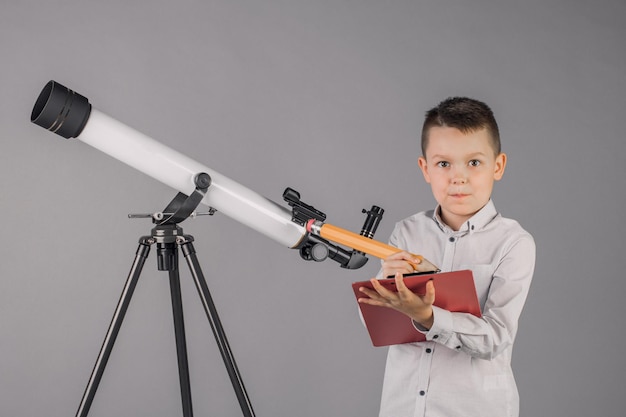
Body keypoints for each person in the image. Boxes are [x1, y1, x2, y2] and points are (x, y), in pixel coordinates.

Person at [358, 97, 536, 417]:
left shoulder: (513, 243)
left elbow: (496, 338)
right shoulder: (406, 233)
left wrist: (428, 316)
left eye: (474, 162)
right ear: (425, 168)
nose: (458, 177)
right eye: (443, 164)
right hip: (403, 406)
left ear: (498, 166)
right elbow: (375, 323)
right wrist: (384, 286)